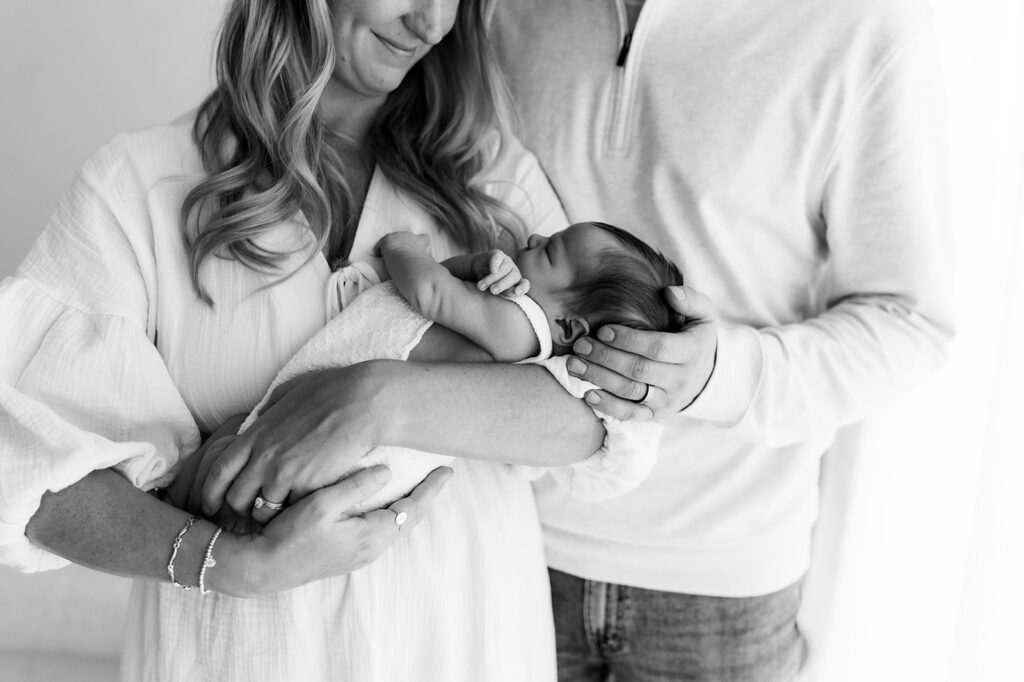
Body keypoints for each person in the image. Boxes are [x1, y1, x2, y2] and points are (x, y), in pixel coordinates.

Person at [0, 1, 674, 680]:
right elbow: (24, 467)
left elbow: (611, 416)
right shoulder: (141, 187)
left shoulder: (493, 183)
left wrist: (375, 401)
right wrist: (234, 564)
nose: (432, 24)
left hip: (465, 647)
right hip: (245, 657)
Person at [493, 0, 954, 680]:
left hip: (718, 595)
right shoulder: (502, 11)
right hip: (503, 549)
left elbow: (910, 322)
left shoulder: (866, 24)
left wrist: (723, 375)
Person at [180, 221, 680, 516]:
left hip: (352, 442)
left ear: (569, 327)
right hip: (343, 431)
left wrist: (404, 248)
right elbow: (451, 286)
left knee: (233, 449)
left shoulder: (519, 329)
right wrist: (476, 265)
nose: (534, 234)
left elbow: (430, 292)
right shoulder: (520, 329)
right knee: (237, 446)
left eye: (549, 250)